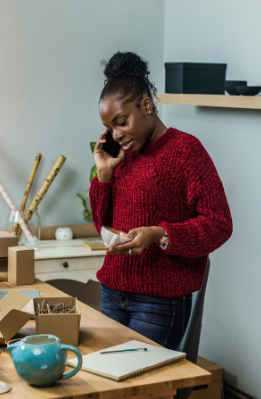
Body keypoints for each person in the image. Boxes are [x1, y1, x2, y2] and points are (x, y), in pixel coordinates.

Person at [90, 51, 233, 350]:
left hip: (159, 304)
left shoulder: (186, 150)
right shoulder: (122, 158)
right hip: (113, 292)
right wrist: (104, 175)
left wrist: (161, 234)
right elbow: (101, 226)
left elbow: (219, 224)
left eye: (122, 122)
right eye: (111, 128)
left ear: (146, 106)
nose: (117, 135)